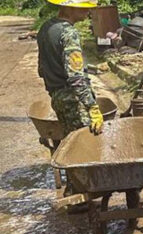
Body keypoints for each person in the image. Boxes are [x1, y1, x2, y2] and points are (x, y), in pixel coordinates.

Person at [37, 0, 103, 137]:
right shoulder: (69, 33)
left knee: (70, 140)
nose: (88, 11)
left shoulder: (45, 28)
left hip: (57, 98)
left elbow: (42, 69)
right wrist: (92, 107)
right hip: (74, 101)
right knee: (85, 145)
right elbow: (76, 78)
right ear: (70, 8)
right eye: (84, 8)